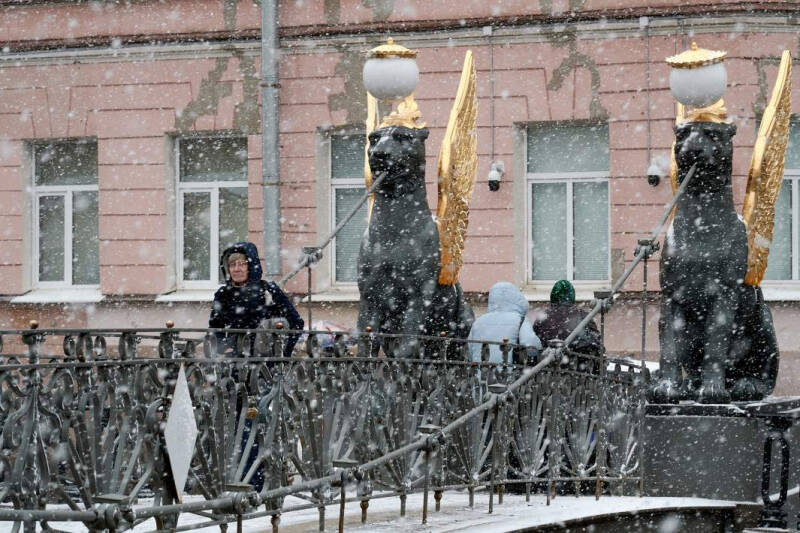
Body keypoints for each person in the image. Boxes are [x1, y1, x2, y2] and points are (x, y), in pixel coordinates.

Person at [209, 241, 304, 357]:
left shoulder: (268, 290)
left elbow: (296, 323)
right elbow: (215, 328)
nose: (237, 269)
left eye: (242, 264)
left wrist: (284, 353)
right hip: (234, 361)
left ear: (251, 266)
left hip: (266, 364)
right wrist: (223, 347)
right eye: (232, 265)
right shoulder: (223, 294)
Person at [468, 282, 542, 364]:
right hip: (509, 372)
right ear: (517, 298)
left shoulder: (479, 321)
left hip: (480, 372)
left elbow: (470, 349)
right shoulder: (520, 320)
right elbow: (531, 343)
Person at [532, 279, 602, 355]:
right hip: (577, 363)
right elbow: (597, 346)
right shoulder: (583, 316)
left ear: (553, 295)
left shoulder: (542, 318)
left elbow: (534, 344)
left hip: (547, 363)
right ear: (572, 295)